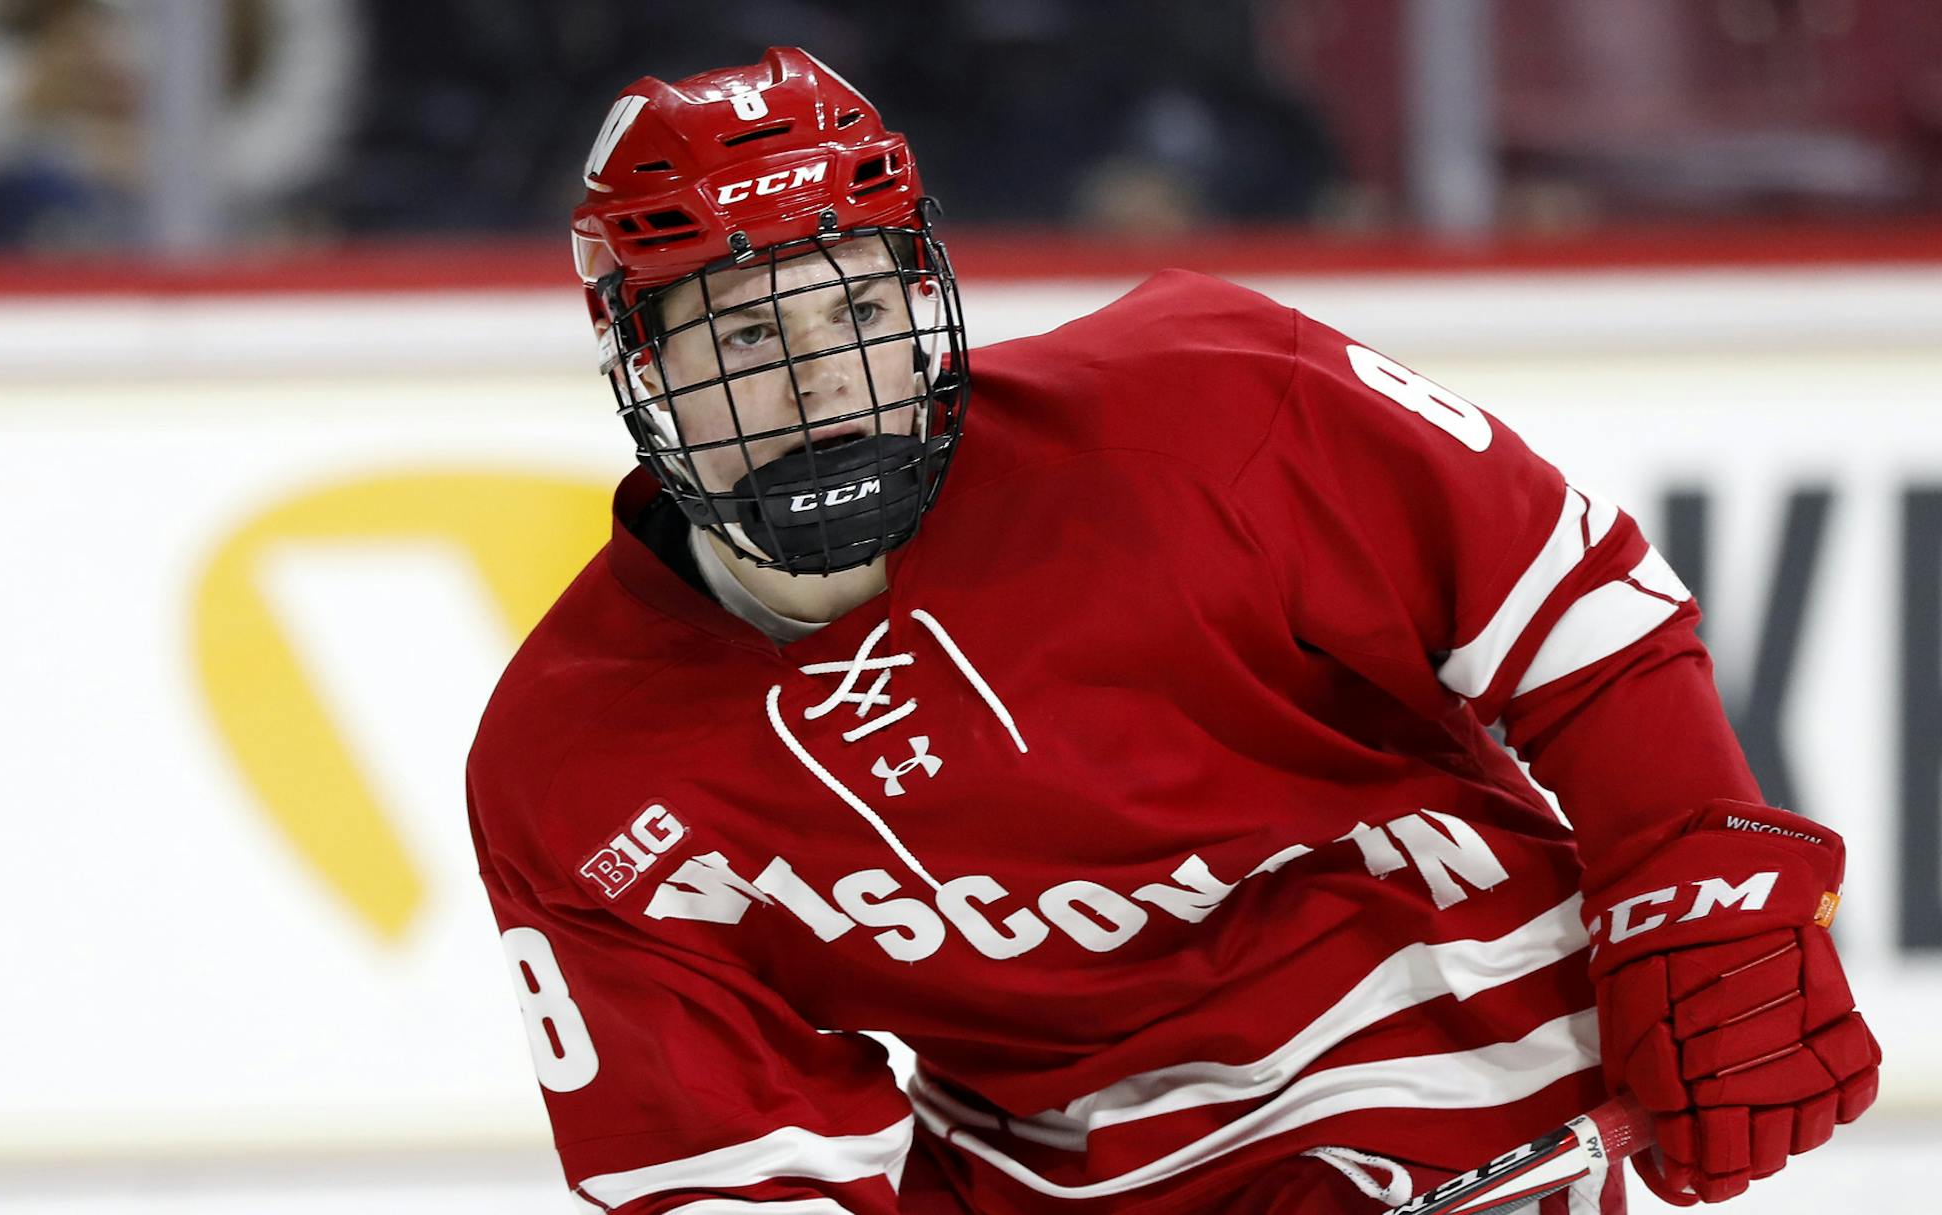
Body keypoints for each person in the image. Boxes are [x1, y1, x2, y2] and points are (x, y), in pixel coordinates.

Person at [464, 47, 1879, 1215]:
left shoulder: (1212, 403)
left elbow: (1577, 616)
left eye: (855, 313)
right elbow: (728, 1173)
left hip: (1491, 1062)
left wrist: (1699, 888)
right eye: (745, 342)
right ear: (636, 367)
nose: (823, 388)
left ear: (925, 304)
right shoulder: (577, 769)